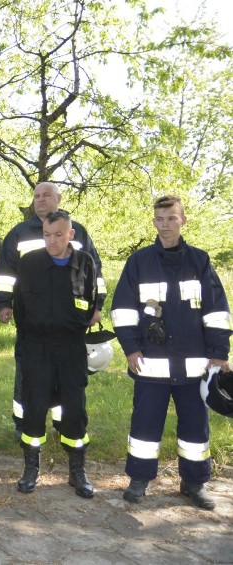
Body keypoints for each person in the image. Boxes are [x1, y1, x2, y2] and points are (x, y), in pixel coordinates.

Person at [111, 195, 232, 511]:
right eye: (160, 219)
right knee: (144, 427)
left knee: (195, 428)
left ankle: (194, 483)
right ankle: (139, 479)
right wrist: (131, 349)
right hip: (150, 366)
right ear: (154, 222)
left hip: (194, 368)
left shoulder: (200, 261)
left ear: (183, 220)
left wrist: (219, 353)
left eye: (171, 218)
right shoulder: (139, 262)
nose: (165, 225)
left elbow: (217, 310)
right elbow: (123, 309)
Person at [0, 182, 105, 438]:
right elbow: (5, 273)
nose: (40, 199)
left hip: (70, 323)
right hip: (33, 322)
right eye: (36, 196)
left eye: (46, 195)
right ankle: (24, 425)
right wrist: (4, 303)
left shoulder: (78, 231)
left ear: (59, 198)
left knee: (69, 381)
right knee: (28, 374)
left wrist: (97, 306)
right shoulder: (19, 233)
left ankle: (63, 425)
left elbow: (94, 273)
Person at [12, 211, 97, 498]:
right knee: (34, 409)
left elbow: (92, 301)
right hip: (37, 347)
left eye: (58, 235)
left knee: (75, 410)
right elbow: (19, 309)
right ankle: (31, 470)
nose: (52, 241)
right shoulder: (30, 263)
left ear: (71, 234)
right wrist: (26, 346)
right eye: (47, 235)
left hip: (72, 348)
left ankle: (77, 472)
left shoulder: (85, 263)